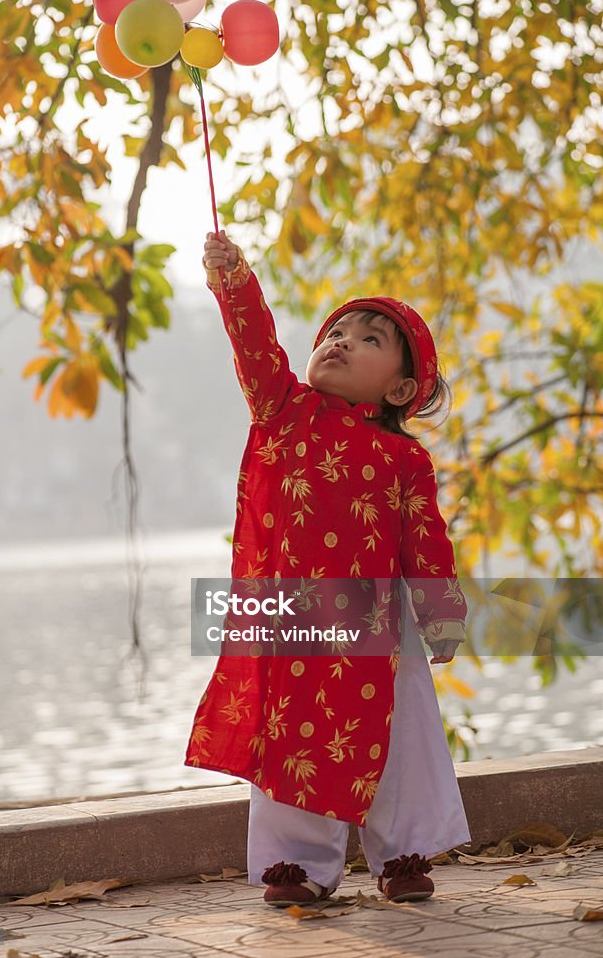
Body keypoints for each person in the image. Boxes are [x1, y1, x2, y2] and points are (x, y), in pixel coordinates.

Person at [185, 230, 471, 907]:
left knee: (400, 738)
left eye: (369, 339)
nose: (340, 340)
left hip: (381, 629)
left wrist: (440, 617)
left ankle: (403, 851)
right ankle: (297, 865)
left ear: (401, 387)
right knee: (293, 738)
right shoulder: (285, 413)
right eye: (335, 330)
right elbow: (254, 346)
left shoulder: (403, 460)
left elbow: (426, 544)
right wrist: (234, 283)